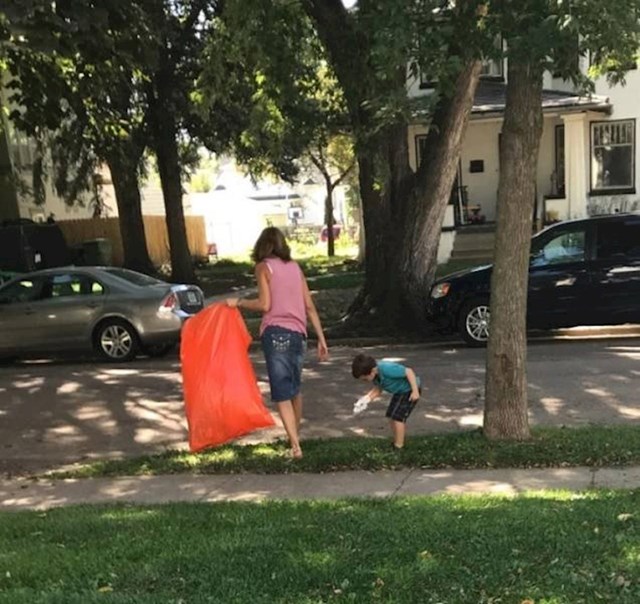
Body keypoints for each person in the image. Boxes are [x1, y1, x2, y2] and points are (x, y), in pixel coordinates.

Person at [226, 227, 329, 459]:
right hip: (299, 335)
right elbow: (309, 306)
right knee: (294, 389)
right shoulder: (294, 267)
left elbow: (264, 304)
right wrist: (321, 339)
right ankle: (296, 435)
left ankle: (295, 446)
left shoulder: (263, 267)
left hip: (276, 334)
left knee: (282, 392)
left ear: (262, 245)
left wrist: (239, 302)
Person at [351, 353, 421, 449]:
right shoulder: (375, 375)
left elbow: (409, 372)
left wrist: (415, 391)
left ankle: (399, 446)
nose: (365, 381)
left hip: (409, 390)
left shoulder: (386, 368)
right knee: (391, 416)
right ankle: (396, 440)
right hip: (399, 392)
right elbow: (378, 389)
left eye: (365, 379)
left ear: (372, 371)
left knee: (398, 418)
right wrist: (365, 399)